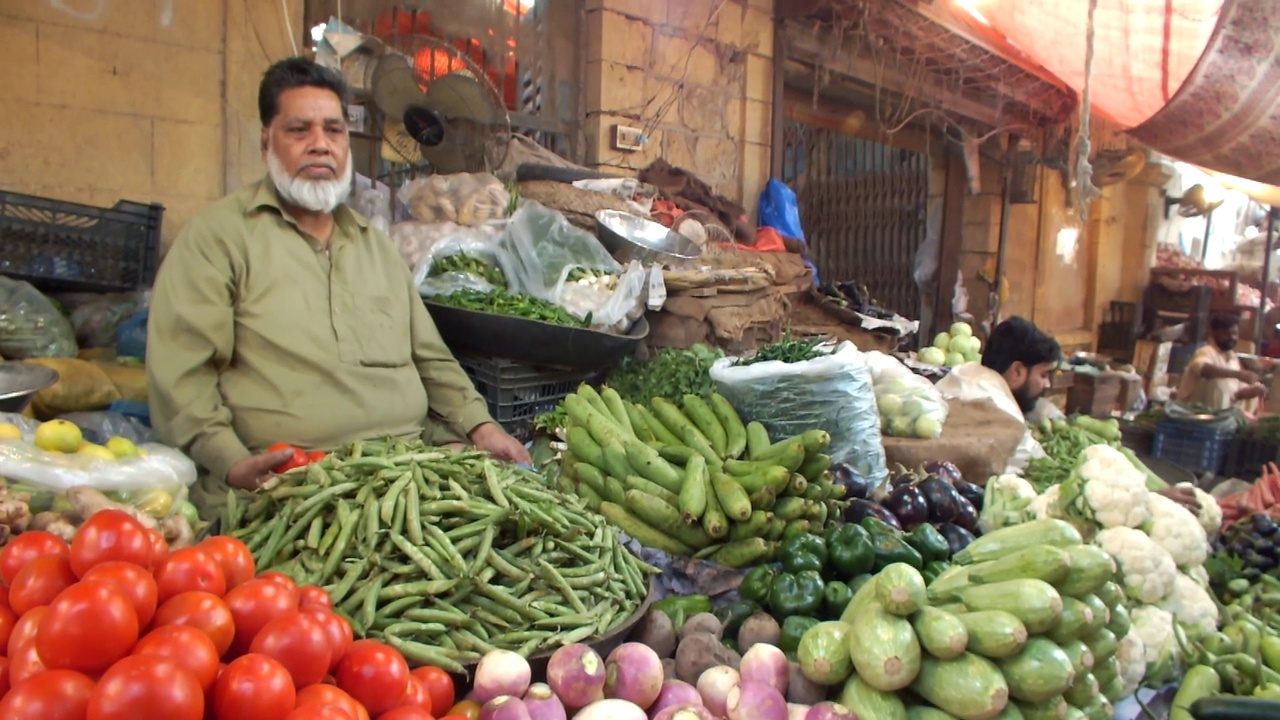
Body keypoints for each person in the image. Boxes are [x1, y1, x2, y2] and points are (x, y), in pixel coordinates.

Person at [147, 57, 531, 514]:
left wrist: (481, 428)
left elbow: (431, 358)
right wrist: (231, 462)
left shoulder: (376, 246)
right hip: (290, 487)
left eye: (333, 130)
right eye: (298, 130)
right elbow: (182, 376)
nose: (320, 145)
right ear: (266, 141)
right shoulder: (219, 237)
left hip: (409, 474)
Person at [938, 316, 1200, 512]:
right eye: (1043, 375)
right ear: (1017, 372)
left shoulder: (963, 374)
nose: (1048, 385)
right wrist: (1148, 497)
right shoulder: (1005, 419)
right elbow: (1052, 482)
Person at [1177, 314, 1268, 412]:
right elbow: (1201, 369)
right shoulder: (1205, 352)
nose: (1232, 337)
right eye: (1226, 334)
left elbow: (1235, 394)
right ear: (1213, 333)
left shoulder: (1233, 359)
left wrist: (1253, 392)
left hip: (1219, 420)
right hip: (1195, 417)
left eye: (1235, 333)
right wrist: (1238, 374)